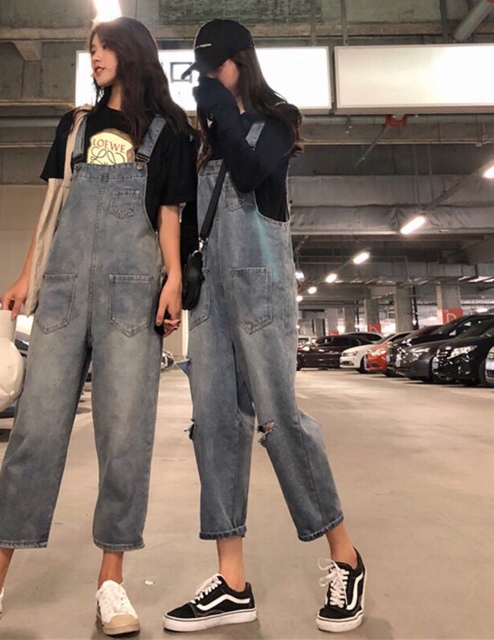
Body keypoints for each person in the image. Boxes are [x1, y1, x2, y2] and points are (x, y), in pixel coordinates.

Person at [0, 17, 196, 637]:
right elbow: (52, 209)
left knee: (124, 438)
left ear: (130, 53)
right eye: (91, 48)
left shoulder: (169, 130)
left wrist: (174, 281)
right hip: (65, 292)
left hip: (132, 297)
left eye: (104, 47)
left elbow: (169, 215)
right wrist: (28, 275)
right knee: (35, 433)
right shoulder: (74, 125)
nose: (94, 56)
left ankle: (111, 583)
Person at [163, 19, 366, 634]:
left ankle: (346, 558)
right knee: (214, 426)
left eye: (215, 67)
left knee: (279, 419)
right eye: (201, 71)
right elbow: (187, 217)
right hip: (212, 300)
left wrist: (219, 111)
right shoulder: (204, 140)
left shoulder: (278, 121)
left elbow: (252, 173)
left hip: (262, 290)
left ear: (241, 62)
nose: (208, 79)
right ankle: (231, 584)